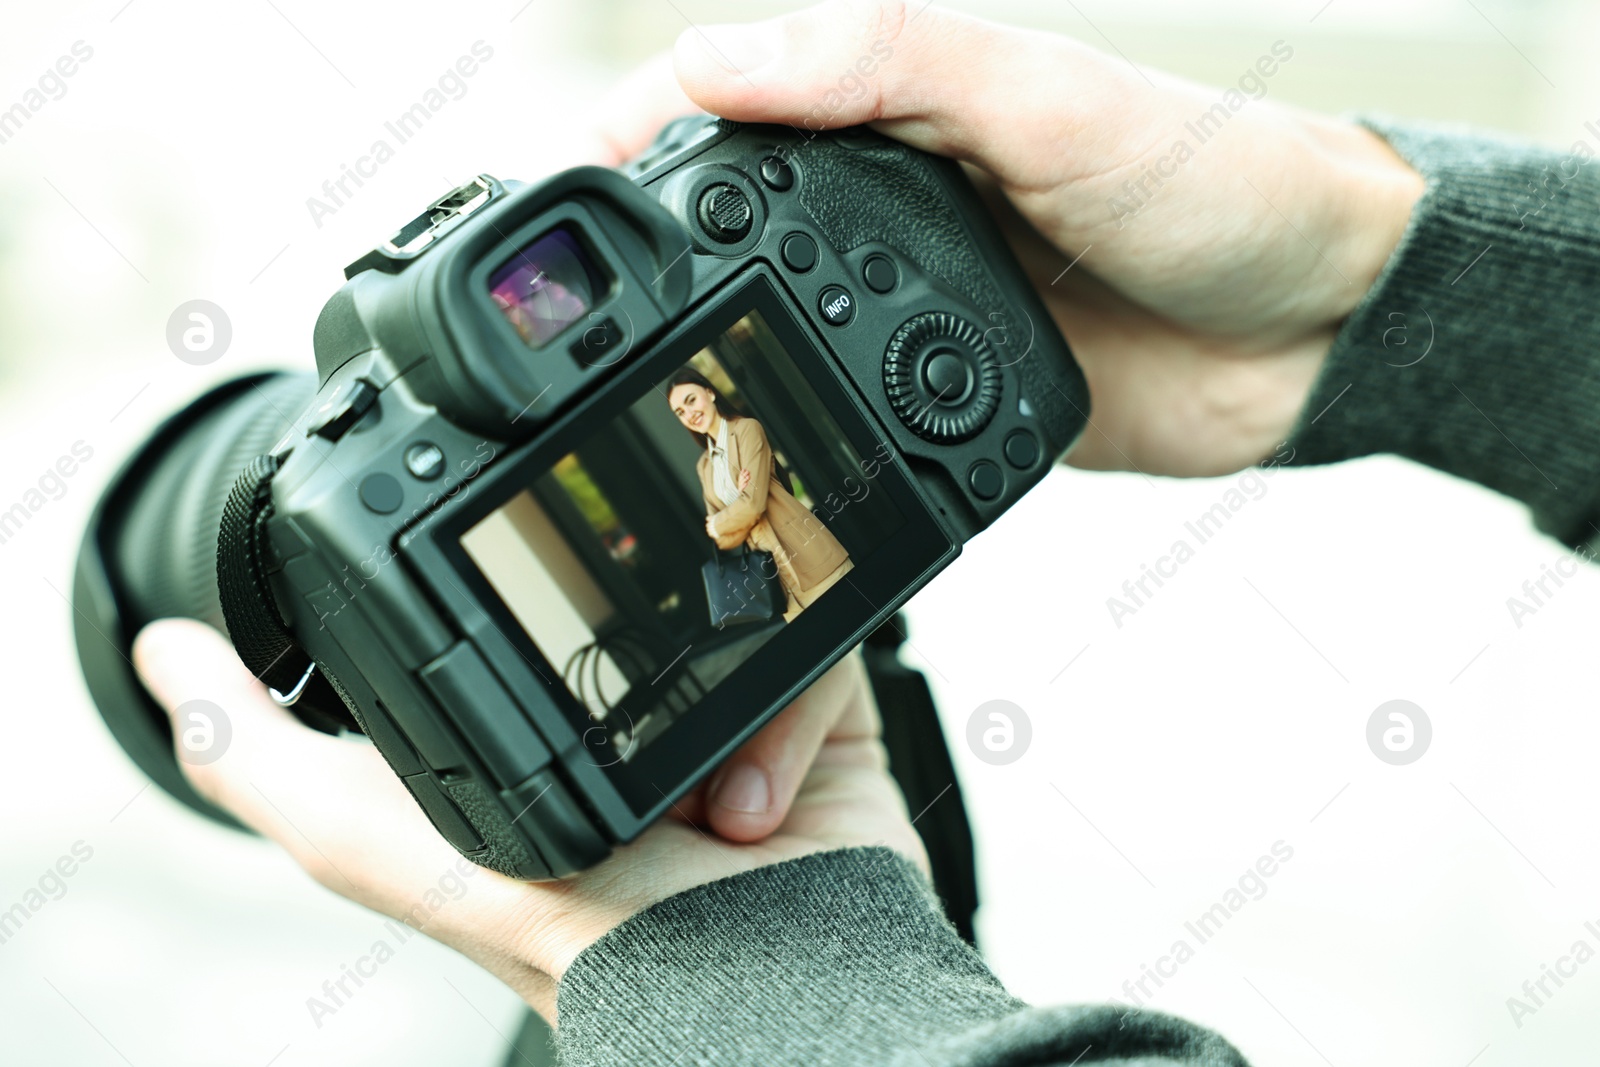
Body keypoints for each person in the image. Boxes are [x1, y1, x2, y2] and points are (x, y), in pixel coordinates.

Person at [132, 1, 1600, 1063]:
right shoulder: (731, 447)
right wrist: (1355, 269)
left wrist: (736, 985)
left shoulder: (738, 447)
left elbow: (738, 525)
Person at [667, 366, 853, 621]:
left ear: (709, 393)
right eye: (680, 411)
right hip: (780, 586)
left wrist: (722, 521)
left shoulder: (746, 430)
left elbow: (752, 506)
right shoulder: (705, 467)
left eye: (691, 400)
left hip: (811, 560)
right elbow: (723, 541)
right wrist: (739, 510)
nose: (689, 413)